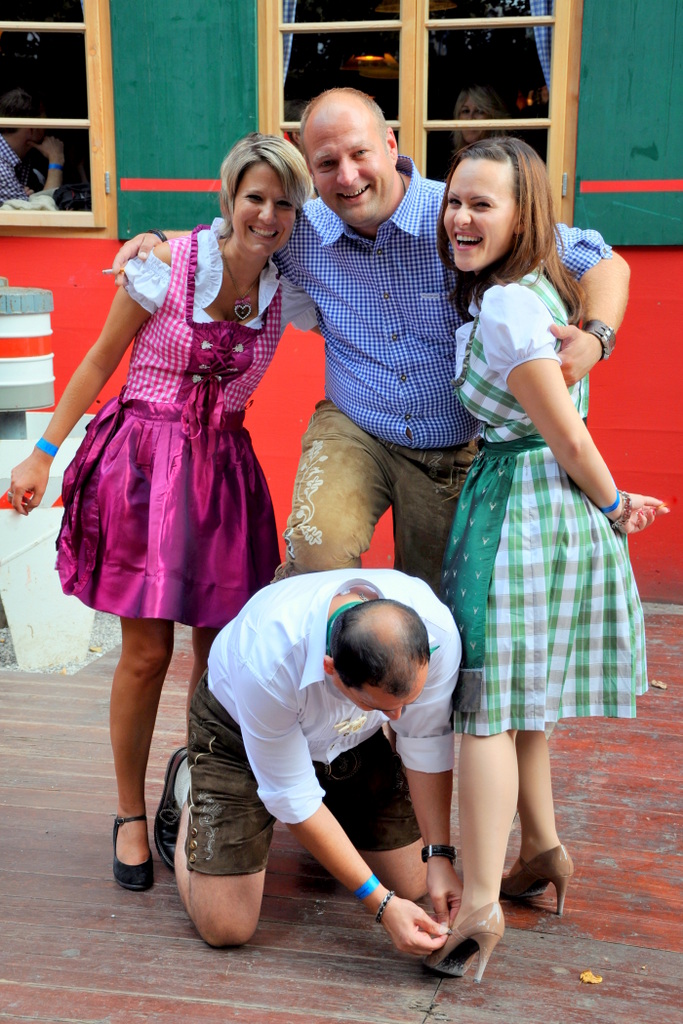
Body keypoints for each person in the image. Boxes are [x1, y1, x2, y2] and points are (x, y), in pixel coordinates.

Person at [112, 87, 631, 597]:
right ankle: (309, 673)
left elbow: (603, 260)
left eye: (360, 153)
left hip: (453, 445)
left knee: (434, 605)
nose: (347, 176)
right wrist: (158, 240)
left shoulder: (458, 216)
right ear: (308, 169)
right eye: (326, 162)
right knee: (315, 557)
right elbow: (233, 237)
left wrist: (597, 337)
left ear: (390, 143)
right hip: (353, 426)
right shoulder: (299, 230)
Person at [7, 133, 313, 893]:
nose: (267, 215)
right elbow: (98, 361)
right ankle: (127, 813)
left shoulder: (291, 288)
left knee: (219, 663)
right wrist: (42, 453)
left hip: (224, 476)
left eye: (283, 202)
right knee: (146, 654)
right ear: (227, 197)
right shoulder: (165, 264)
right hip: (143, 465)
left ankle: (197, 792)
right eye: (254, 197)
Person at [423, 137, 668, 983]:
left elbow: (562, 429)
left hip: (521, 510)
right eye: (454, 200)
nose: (459, 216)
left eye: (480, 204)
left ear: (525, 217)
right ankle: (544, 852)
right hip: (549, 507)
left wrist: (615, 501)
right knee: (525, 704)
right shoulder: (534, 294)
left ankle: (482, 906)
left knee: (483, 708)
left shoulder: (503, 308)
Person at [153, 568, 462, 958]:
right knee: (226, 924)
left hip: (351, 738)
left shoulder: (436, 632)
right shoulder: (266, 658)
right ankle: (190, 792)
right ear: (331, 669)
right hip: (239, 734)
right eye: (384, 707)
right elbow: (294, 798)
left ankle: (337, 795)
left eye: (408, 702)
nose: (399, 718)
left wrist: (440, 856)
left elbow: (426, 739)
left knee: (414, 879)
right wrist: (381, 904)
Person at [0, 87, 64, 203]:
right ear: (32, 128)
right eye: (45, 122)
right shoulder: (1, 170)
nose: (47, 128)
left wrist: (25, 200)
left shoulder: (20, 158)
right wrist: (56, 161)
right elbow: (41, 215)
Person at [451, 84, 509, 154]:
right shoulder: (455, 157)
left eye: (479, 111)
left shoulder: (502, 158)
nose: (470, 119)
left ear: (492, 117)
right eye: (466, 111)